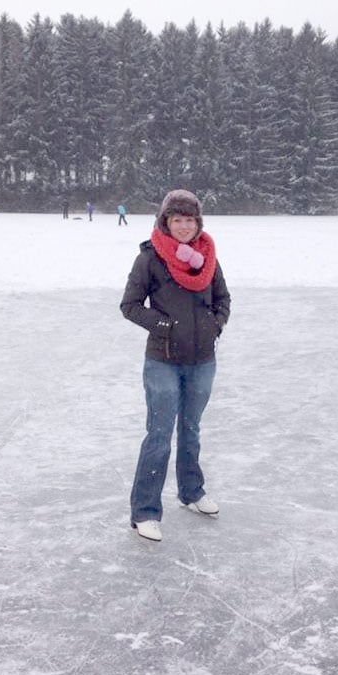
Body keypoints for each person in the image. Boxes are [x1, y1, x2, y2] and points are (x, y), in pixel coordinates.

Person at [120, 189, 231, 543]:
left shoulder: (208, 255)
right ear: (165, 221)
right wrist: (164, 325)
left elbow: (223, 298)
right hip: (163, 360)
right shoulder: (151, 258)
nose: (183, 226)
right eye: (177, 219)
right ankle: (145, 512)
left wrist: (216, 323)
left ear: (198, 223)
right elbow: (130, 305)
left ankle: (192, 492)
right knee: (159, 435)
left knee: (192, 429)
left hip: (202, 360)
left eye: (190, 220)